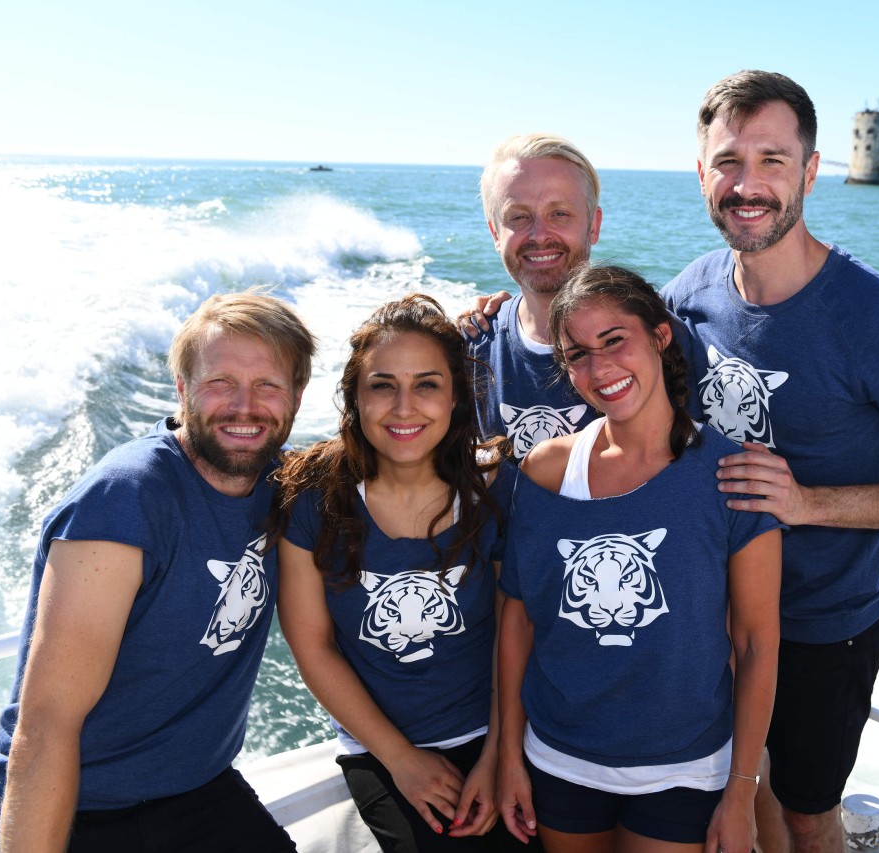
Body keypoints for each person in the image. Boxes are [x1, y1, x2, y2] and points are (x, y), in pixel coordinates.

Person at [661, 70, 879, 853]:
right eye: (729, 162)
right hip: (714, 614)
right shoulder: (688, 295)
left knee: (809, 812)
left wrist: (810, 503)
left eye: (773, 161)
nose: (748, 185)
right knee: (742, 786)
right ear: (700, 173)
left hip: (824, 624)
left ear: (812, 172)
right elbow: (607, 357)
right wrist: (496, 320)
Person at [0, 289, 316, 853]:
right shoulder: (126, 500)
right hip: (74, 807)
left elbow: (407, 457)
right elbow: (47, 722)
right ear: (183, 390)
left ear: (297, 398)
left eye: (268, 386)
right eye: (220, 383)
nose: (244, 406)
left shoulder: (288, 483)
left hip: (198, 796)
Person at [496, 265, 783, 853]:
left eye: (614, 340)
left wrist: (741, 791)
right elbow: (516, 622)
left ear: (659, 336)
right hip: (557, 757)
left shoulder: (733, 474)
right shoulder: (546, 471)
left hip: (687, 767)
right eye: (576, 354)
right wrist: (508, 758)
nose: (600, 370)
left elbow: (757, 642)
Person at [271, 295, 526, 852]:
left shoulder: (495, 489)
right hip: (378, 747)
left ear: (457, 398)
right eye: (383, 385)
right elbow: (313, 647)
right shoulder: (313, 496)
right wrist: (401, 760)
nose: (404, 407)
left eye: (427, 384)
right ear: (355, 398)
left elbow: (516, 632)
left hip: (498, 733)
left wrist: (500, 756)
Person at [465, 133, 604, 458]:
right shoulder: (471, 346)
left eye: (560, 214)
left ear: (593, 226)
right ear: (495, 234)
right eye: (518, 217)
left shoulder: (649, 344)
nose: (540, 235)